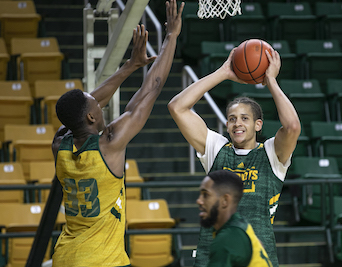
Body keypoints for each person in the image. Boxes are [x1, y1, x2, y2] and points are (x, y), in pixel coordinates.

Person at [51, 1, 184, 266]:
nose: (100, 106)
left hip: (65, 257)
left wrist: (130, 66)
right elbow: (153, 87)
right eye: (96, 107)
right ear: (91, 117)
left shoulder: (59, 145)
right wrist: (171, 36)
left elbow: (80, 107)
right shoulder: (109, 144)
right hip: (102, 261)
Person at [168, 48, 301, 267]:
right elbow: (177, 107)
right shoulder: (217, 149)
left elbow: (292, 126)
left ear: (258, 124)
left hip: (257, 254)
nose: (237, 123)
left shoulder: (271, 153)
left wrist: (271, 81)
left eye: (244, 118)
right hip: (214, 253)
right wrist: (223, 73)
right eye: (231, 119)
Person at [197, 170, 272, 267]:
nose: (199, 201)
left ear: (225, 200)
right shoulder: (241, 225)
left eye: (205, 195)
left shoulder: (227, 238)